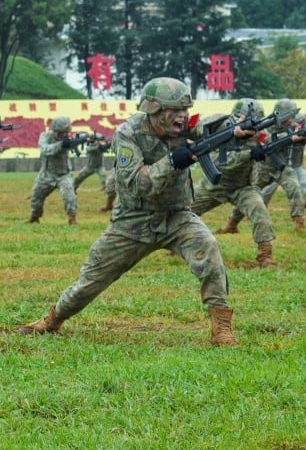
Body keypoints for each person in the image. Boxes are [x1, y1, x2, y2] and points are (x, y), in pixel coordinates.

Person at [18, 77, 242, 346]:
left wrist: (231, 128)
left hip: (177, 216)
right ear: (154, 110)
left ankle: (222, 329)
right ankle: (54, 318)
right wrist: (172, 161)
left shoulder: (182, 127)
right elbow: (138, 183)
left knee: (209, 250)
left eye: (185, 110)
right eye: (175, 111)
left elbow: (204, 126)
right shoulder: (128, 134)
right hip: (133, 221)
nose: (181, 117)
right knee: (92, 280)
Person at [188, 98, 278, 268]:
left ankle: (265, 255)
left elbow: (271, 145)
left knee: (260, 211)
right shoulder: (220, 125)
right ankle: (176, 244)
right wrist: (233, 135)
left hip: (243, 186)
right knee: (185, 211)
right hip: (214, 184)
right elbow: (196, 130)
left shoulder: (260, 134)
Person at [219, 98, 306, 234]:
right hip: (263, 168)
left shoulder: (293, 127)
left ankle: (299, 225)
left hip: (282, 166)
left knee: (295, 190)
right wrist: (289, 138)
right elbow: (265, 138)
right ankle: (232, 224)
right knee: (249, 195)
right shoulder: (266, 124)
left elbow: (298, 144)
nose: (292, 120)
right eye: (289, 116)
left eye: (293, 116)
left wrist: (300, 139)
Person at [28, 116, 79, 225]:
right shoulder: (45, 136)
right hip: (46, 174)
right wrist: (61, 145)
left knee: (70, 197)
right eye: (61, 132)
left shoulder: (67, 139)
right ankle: (34, 217)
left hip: (64, 175)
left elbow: (74, 144)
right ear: (55, 130)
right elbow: (45, 150)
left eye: (66, 132)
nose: (64, 135)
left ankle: (72, 219)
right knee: (36, 198)